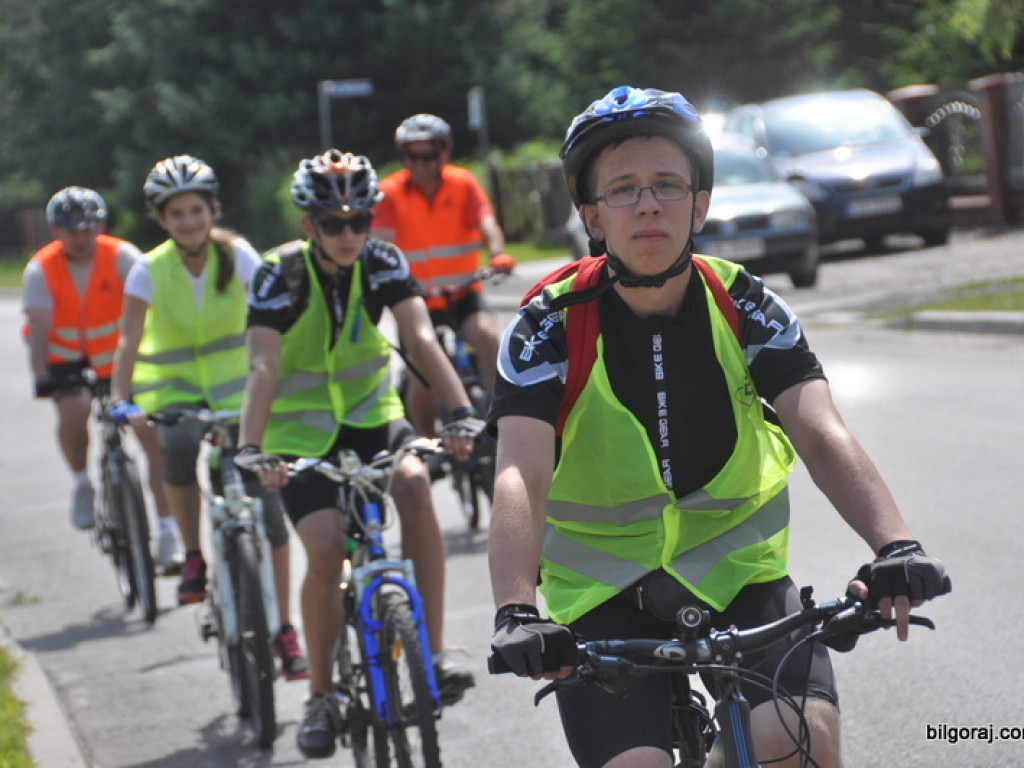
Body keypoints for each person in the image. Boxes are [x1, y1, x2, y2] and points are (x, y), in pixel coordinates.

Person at [486, 86, 952, 768]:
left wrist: (896, 546)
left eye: (668, 185)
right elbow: (519, 473)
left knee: (802, 745)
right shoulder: (547, 326)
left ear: (700, 204)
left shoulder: (747, 306)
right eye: (622, 190)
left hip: (741, 578)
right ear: (591, 216)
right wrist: (517, 611)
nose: (648, 204)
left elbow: (820, 430)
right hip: (603, 598)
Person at [234, 149, 480, 758]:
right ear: (308, 225)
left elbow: (420, 337)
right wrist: (250, 448)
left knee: (418, 486)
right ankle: (321, 695)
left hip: (373, 417)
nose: (349, 234)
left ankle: (435, 651)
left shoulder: (384, 260)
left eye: (359, 220)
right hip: (296, 434)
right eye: (333, 223)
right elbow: (263, 365)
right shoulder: (276, 275)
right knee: (322, 549)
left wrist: (458, 412)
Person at [108, 155, 307, 680]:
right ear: (161, 219)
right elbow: (129, 338)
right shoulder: (148, 270)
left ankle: (285, 629)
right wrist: (119, 396)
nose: (189, 221)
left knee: (268, 509)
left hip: (240, 392)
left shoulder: (238, 255)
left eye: (196, 210)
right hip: (175, 394)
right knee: (175, 449)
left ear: (212, 210)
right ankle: (193, 554)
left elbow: (275, 319)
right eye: (177, 213)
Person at [22, 187, 182, 572]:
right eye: (73, 229)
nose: (82, 237)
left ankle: (167, 531)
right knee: (74, 410)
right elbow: (40, 329)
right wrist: (42, 377)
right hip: (66, 360)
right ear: (56, 231)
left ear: (101, 226)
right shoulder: (41, 269)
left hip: (120, 357)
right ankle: (81, 482)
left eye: (89, 228)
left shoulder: (123, 256)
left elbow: (152, 302)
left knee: (150, 435)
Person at [372, 113, 515, 438]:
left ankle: (503, 423)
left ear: (444, 152)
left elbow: (487, 223)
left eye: (428, 155)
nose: (419, 163)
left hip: (463, 292)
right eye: (411, 155)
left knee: (489, 338)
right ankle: (427, 444)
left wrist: (497, 253)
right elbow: (379, 241)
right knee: (422, 374)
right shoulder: (391, 192)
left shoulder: (462, 183)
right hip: (417, 301)